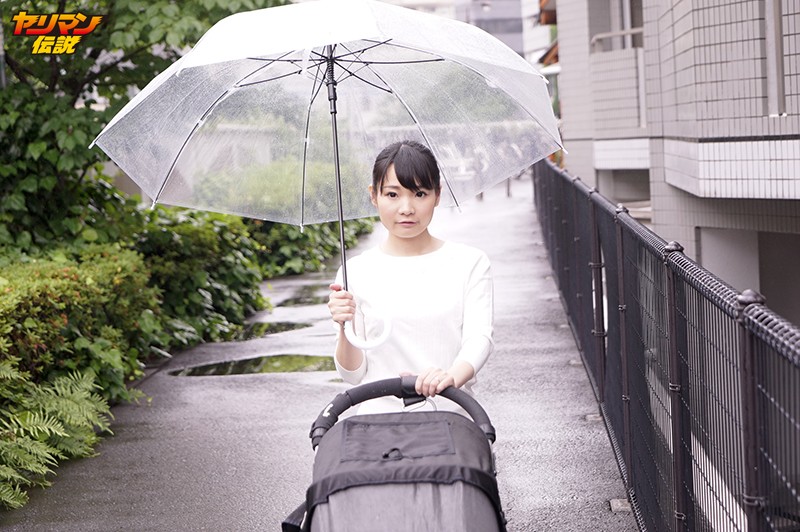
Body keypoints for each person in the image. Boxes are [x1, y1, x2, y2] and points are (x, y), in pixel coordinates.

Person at [327, 140, 494, 414]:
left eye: (419, 193)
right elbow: (353, 375)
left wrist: (450, 378)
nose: (406, 208)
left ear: (437, 195)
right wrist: (344, 326)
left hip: (449, 418)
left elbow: (480, 338)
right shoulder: (354, 272)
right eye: (392, 194)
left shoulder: (469, 263)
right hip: (377, 424)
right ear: (374, 195)